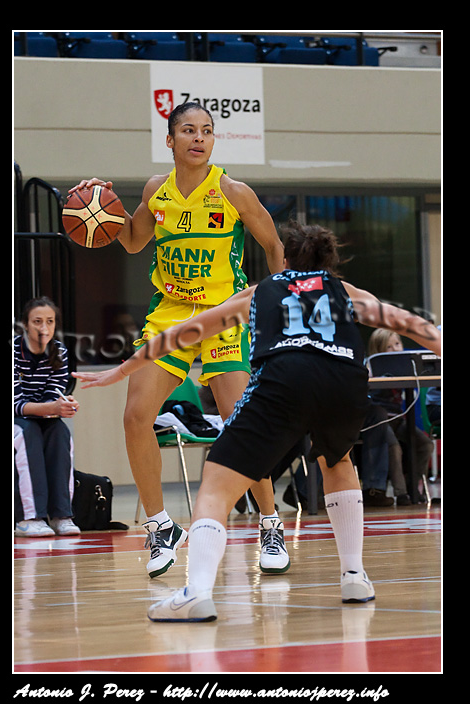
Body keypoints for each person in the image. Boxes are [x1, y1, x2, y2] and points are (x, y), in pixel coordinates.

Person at [73, 222, 441, 621]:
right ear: (328, 264)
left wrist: (122, 370)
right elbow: (412, 325)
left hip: (283, 380)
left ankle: (197, 592)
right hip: (342, 381)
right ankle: (354, 576)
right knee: (338, 463)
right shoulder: (345, 291)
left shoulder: (261, 291)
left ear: (285, 261)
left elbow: (183, 334)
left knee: (215, 483)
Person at [69, 102, 286, 577]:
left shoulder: (233, 192)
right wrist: (100, 205)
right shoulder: (157, 190)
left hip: (222, 314)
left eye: (207, 130)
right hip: (170, 313)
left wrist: (278, 306)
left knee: (240, 420)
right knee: (135, 416)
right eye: (188, 130)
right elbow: (132, 241)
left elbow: (274, 246)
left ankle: (270, 521)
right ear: (170, 140)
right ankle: (160, 526)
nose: (198, 138)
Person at [14, 297, 80, 537]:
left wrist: (63, 405)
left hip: (39, 415)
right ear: (25, 325)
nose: (44, 328)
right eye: (37, 322)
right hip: (18, 418)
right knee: (26, 433)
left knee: (60, 432)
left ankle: (62, 515)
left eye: (50, 321)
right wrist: (52, 407)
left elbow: (54, 393)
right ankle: (29, 517)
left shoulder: (58, 351)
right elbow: (16, 404)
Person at [367, 329, 434, 501]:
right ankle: (401, 493)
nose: (395, 349)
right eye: (388, 347)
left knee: (425, 444)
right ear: (378, 350)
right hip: (379, 420)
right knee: (394, 447)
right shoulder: (370, 366)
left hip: (398, 419)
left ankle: (414, 486)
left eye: (397, 344)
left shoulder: (405, 367)